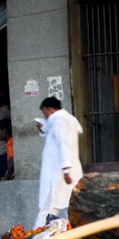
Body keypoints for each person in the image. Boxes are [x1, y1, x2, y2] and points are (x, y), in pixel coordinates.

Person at [34, 96, 83, 228]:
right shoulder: (68, 119)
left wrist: (66, 170)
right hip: (64, 171)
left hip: (58, 173)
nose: (45, 116)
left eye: (44, 112)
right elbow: (56, 134)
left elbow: (63, 143)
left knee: (47, 209)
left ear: (49, 109)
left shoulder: (59, 121)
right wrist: (43, 128)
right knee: (69, 207)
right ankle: (77, 235)